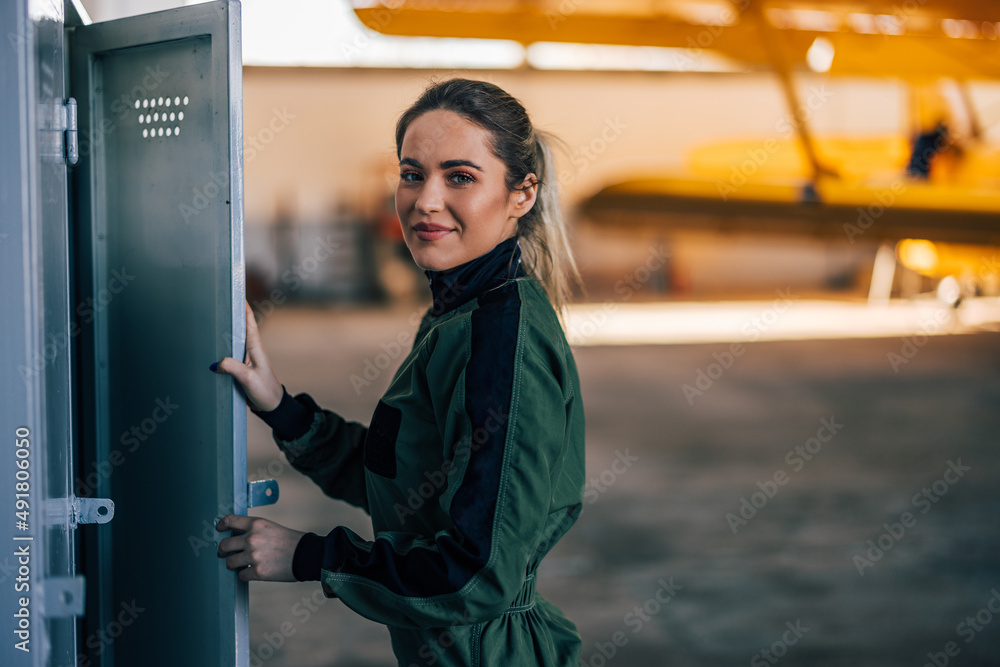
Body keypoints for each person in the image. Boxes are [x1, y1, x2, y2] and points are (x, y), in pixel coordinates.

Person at [210, 78, 586, 666]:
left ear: (522, 193)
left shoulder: (501, 342)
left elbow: (474, 577)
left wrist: (310, 556)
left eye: (460, 177)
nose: (425, 200)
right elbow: (404, 488)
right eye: (413, 174)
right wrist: (278, 404)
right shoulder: (456, 315)